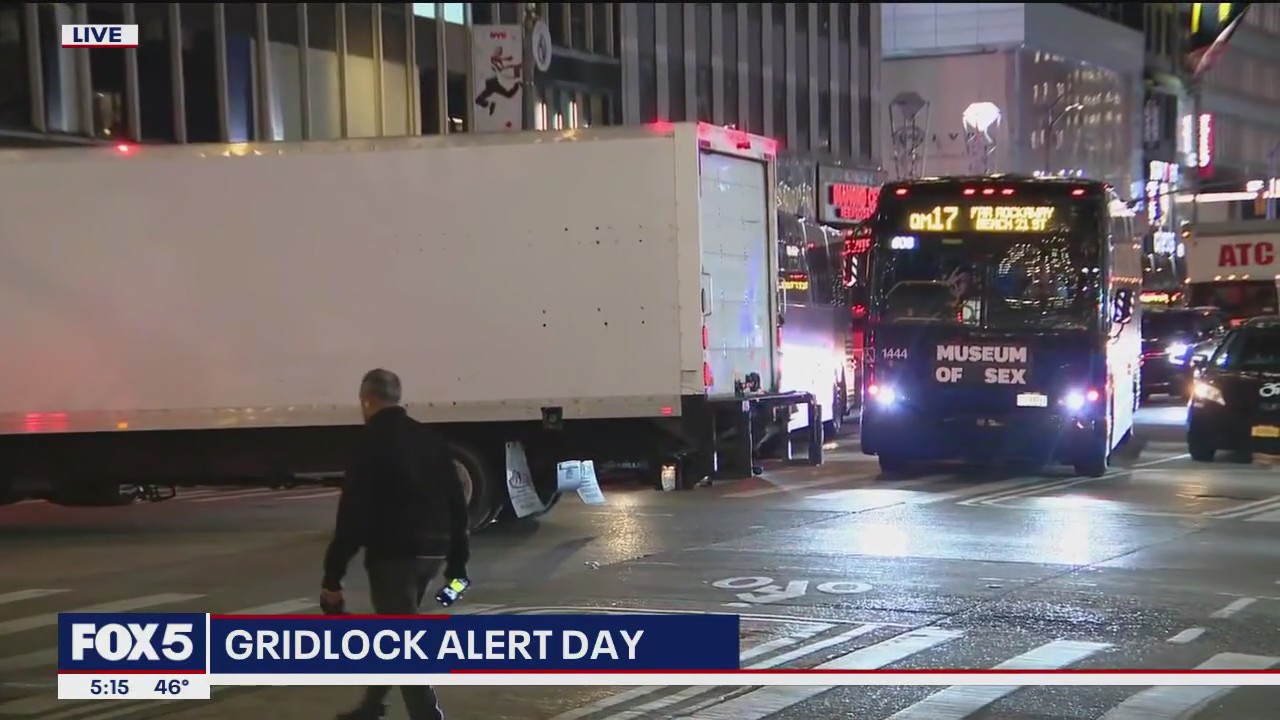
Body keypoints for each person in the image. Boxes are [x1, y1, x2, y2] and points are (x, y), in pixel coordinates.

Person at [321, 368, 471, 720]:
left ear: (367, 400)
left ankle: (427, 715)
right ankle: (373, 705)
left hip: (394, 555)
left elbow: (352, 516)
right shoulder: (429, 439)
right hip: (433, 551)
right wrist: (457, 565)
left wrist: (332, 577)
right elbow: (457, 503)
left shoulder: (368, 443)